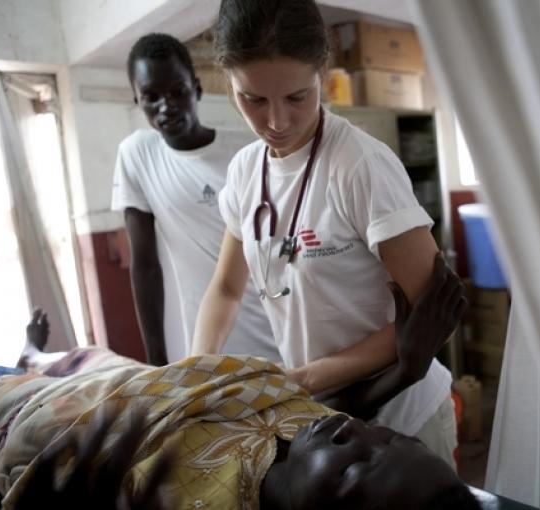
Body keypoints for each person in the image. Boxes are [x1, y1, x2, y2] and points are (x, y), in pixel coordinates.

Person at [192, 0, 456, 466]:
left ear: (322, 73)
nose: (276, 122)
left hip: (403, 416)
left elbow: (430, 311)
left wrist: (307, 377)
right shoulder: (245, 171)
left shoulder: (358, 165)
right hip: (329, 415)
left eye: (297, 97)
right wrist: (197, 372)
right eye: (252, 99)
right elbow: (227, 288)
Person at [0, 258, 477, 510]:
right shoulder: (322, 440)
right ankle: (34, 351)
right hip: (131, 381)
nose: (357, 433)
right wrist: (408, 368)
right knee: (79, 356)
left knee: (13, 378)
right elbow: (307, 403)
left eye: (352, 471)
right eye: (388, 437)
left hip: (23, 415)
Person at [112, 33, 278, 366]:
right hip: (210, 341)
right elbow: (144, 266)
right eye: (151, 96)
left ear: (197, 89)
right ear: (137, 100)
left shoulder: (247, 152)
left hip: (277, 327)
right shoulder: (137, 156)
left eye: (178, 92)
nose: (166, 106)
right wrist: (156, 364)